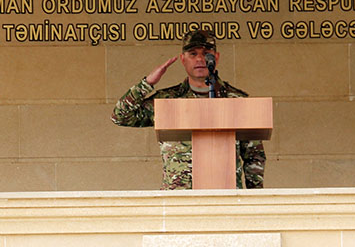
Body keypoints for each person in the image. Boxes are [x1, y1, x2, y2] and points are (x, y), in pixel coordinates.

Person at [111, 30, 266, 190]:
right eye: (193, 53)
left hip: (225, 199)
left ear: (216, 57)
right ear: (183, 59)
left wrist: (253, 199)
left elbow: (254, 155)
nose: (200, 59)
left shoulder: (236, 100)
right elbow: (120, 116)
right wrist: (147, 83)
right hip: (177, 201)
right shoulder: (167, 100)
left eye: (206, 53)